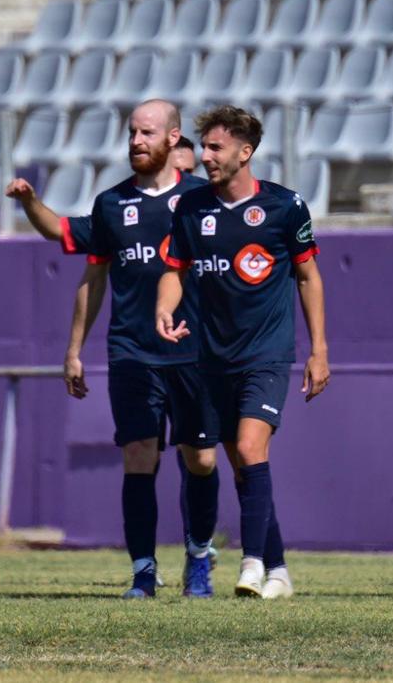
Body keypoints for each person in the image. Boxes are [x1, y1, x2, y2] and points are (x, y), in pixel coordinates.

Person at [4, 99, 222, 599]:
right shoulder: (111, 204)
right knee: (138, 455)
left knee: (202, 461)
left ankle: (198, 557)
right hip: (132, 353)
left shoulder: (202, 199)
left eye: (147, 133)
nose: (136, 142)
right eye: (131, 133)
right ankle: (143, 571)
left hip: (195, 354)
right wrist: (73, 350)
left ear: (172, 138)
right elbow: (92, 275)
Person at [157, 105, 330, 599]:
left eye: (216, 147)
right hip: (212, 357)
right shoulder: (191, 208)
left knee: (252, 450)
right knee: (242, 468)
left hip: (266, 353)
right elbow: (175, 269)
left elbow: (308, 277)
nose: (205, 156)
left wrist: (319, 350)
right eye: (204, 147)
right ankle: (278, 570)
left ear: (245, 151)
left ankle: (251, 565)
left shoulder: (285, 206)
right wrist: (164, 309)